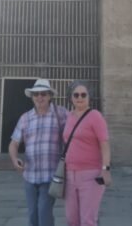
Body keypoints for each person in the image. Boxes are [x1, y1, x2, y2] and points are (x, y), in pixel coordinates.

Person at [9, 79, 68, 226]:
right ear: (32, 97)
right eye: (36, 94)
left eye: (43, 94)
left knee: (43, 212)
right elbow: (14, 143)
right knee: (33, 215)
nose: (39, 97)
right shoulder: (25, 118)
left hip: (50, 175)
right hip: (30, 175)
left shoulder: (60, 114)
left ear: (49, 96)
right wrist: (14, 159)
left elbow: (75, 133)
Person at [63, 81, 111, 226]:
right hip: (69, 174)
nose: (80, 98)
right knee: (72, 220)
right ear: (71, 98)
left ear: (89, 97)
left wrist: (105, 169)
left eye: (83, 95)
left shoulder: (95, 116)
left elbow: (104, 144)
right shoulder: (69, 117)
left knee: (88, 220)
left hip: (91, 175)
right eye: (76, 95)